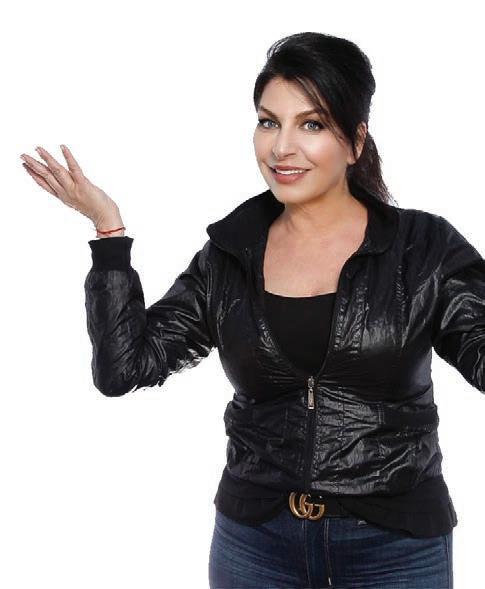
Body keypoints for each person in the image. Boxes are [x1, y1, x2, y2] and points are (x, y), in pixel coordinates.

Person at [25, 30, 485, 589]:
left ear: (355, 141)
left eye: (311, 125)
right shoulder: (230, 254)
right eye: (269, 122)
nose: (281, 148)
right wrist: (109, 231)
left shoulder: (423, 250)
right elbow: (124, 368)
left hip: (394, 545)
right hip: (257, 546)